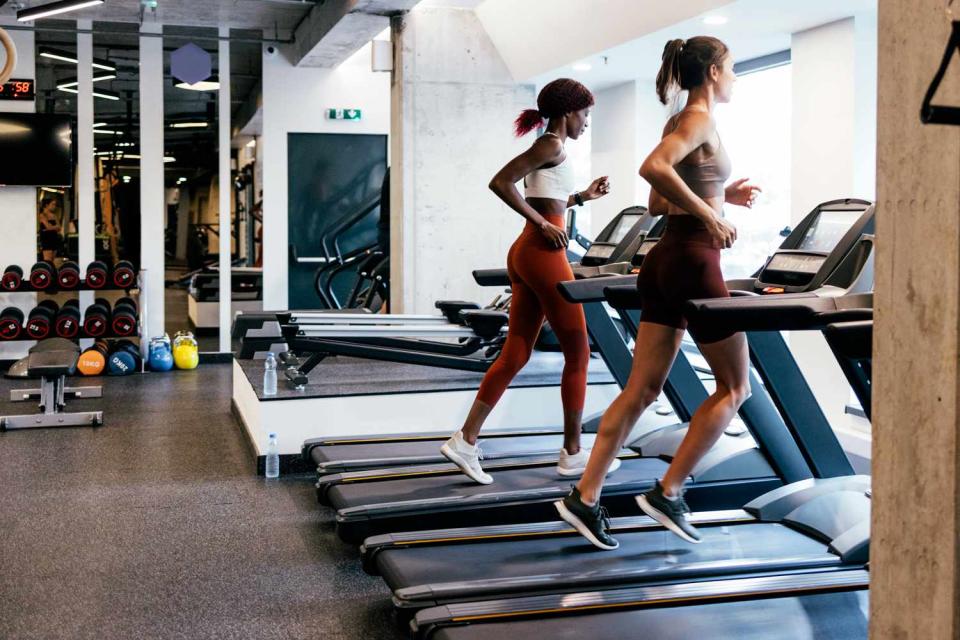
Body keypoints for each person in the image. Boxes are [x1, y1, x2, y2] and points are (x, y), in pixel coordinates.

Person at [555, 37, 762, 549]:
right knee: (736, 388)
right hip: (693, 262)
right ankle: (669, 492)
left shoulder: (677, 122)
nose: (734, 78)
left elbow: (655, 200)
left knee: (643, 389)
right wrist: (712, 212)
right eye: (731, 69)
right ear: (713, 72)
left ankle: (584, 496)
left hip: (663, 262)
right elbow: (652, 170)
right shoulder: (697, 119)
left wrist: (719, 194)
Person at [441, 78, 617, 484]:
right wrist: (542, 224)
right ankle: (573, 453)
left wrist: (581, 199)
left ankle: (465, 441)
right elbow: (500, 182)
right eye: (586, 114)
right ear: (569, 112)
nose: (587, 122)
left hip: (528, 251)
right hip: (542, 252)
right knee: (579, 349)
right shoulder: (551, 144)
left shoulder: (553, 148)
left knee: (516, 352)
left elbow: (546, 198)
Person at [38, 197, 62, 263]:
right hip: (46, 240)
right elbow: (48, 226)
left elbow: (59, 227)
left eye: (55, 204)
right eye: (53, 204)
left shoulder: (54, 215)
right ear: (46, 205)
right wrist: (54, 227)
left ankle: (52, 273)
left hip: (54, 239)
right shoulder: (42, 215)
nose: (54, 206)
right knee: (48, 261)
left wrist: (51, 227)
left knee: (52, 261)